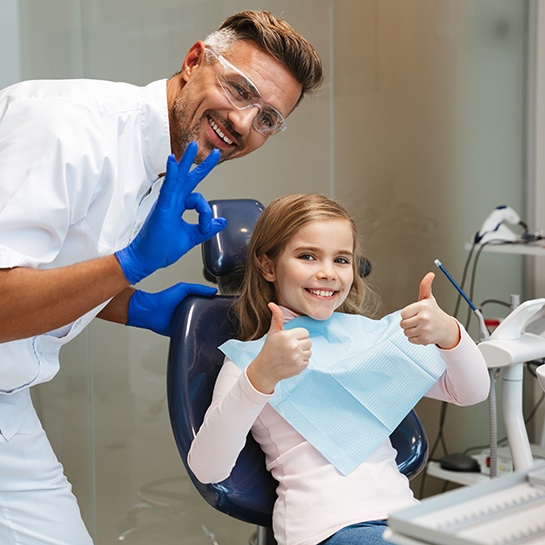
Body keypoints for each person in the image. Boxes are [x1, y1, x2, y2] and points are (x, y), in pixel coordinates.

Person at [0, 10, 323, 545]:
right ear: (195, 60)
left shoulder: (166, 157)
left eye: (267, 118)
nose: (244, 123)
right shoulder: (69, 129)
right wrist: (131, 263)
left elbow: (43, 269)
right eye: (239, 89)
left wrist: (135, 304)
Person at [188, 194, 490, 545]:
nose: (327, 272)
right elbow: (208, 468)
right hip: (329, 530)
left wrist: (449, 334)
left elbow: (470, 391)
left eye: (341, 259)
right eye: (307, 256)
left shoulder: (367, 338)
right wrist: (261, 378)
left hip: (405, 520)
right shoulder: (253, 359)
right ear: (268, 266)